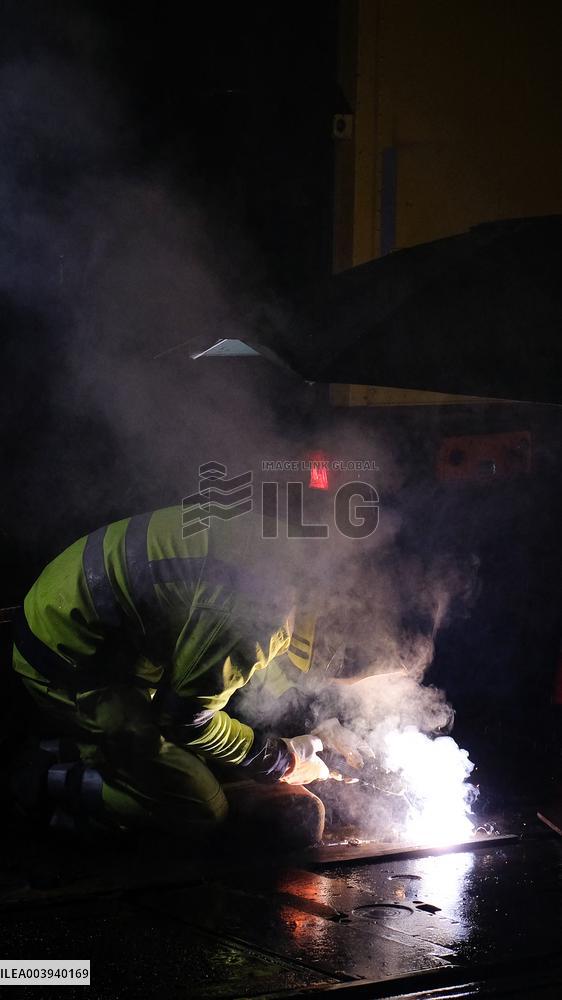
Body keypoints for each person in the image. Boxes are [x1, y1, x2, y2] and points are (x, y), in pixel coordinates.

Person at [10, 504, 337, 847]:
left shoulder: (293, 566)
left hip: (79, 619)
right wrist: (281, 761)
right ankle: (44, 783)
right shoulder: (262, 614)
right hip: (68, 659)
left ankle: (73, 748)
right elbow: (185, 720)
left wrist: (320, 724)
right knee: (201, 808)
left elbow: (256, 658)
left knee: (202, 752)